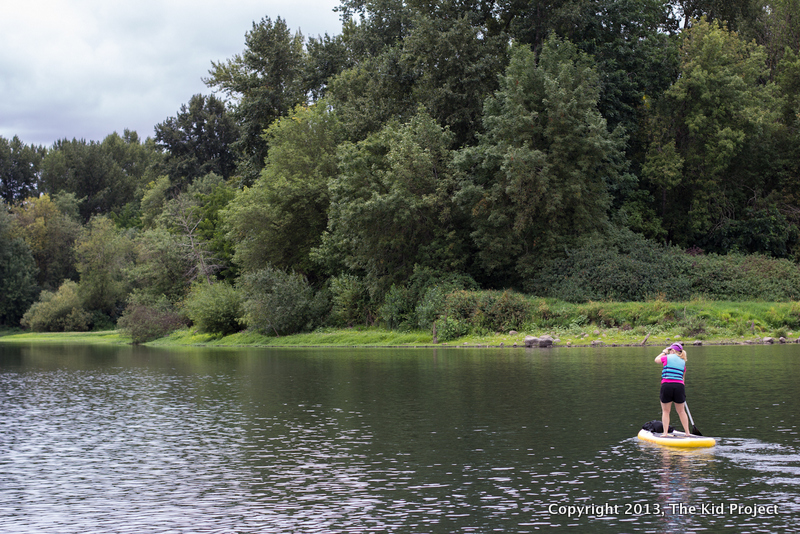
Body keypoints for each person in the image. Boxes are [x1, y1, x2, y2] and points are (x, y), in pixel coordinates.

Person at [655, 342, 691, 437]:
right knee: (681, 411)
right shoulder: (683, 362)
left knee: (666, 411)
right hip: (679, 387)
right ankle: (687, 433)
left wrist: (663, 352)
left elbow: (656, 360)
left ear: (673, 350)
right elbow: (683, 378)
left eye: (670, 350)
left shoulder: (666, 357)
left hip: (667, 385)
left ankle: (665, 433)